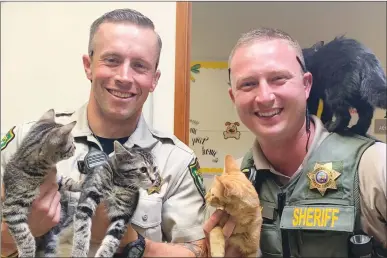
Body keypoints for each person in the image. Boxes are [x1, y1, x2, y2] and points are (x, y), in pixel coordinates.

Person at [1, 8, 207, 258]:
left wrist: (130, 241)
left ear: (154, 79)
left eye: (140, 66)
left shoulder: (178, 162)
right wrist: (20, 231)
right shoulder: (25, 141)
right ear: (88, 66)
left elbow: (195, 252)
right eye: (111, 60)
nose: (124, 77)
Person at [203, 28, 387, 257]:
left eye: (278, 79)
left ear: (307, 85)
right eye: (248, 84)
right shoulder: (235, 179)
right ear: (234, 97)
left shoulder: (374, 165)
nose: (265, 97)